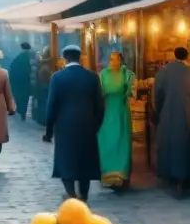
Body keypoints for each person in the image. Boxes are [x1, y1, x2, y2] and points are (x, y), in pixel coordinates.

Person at [43, 45, 104, 202]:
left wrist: (49, 131)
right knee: (86, 160)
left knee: (66, 160)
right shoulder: (92, 77)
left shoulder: (57, 77)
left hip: (64, 126)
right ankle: (84, 194)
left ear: (64, 58)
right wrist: (96, 125)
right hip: (87, 125)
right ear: (80, 57)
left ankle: (71, 193)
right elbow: (100, 105)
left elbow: (51, 105)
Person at [154, 46, 190, 198]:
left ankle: (171, 177)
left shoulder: (163, 72)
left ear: (174, 55)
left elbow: (157, 95)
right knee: (187, 146)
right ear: (187, 57)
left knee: (170, 145)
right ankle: (185, 179)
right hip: (189, 115)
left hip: (168, 115)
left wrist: (160, 112)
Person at [98, 51, 135, 190]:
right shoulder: (103, 75)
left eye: (115, 59)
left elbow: (133, 91)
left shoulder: (127, 74)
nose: (112, 62)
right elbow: (99, 94)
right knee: (107, 141)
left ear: (120, 60)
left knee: (122, 141)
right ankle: (107, 174)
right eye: (110, 59)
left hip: (121, 112)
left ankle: (122, 174)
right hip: (107, 113)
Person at [7, 42, 34, 121]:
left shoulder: (18, 58)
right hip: (24, 81)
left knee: (20, 97)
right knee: (24, 97)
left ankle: (21, 111)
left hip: (18, 82)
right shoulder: (27, 57)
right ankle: (22, 112)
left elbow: (12, 70)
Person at [33, 47, 53, 125]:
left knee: (42, 104)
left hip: (42, 87)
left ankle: (42, 119)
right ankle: (43, 120)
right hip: (44, 88)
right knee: (43, 104)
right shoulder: (45, 66)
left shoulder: (42, 65)